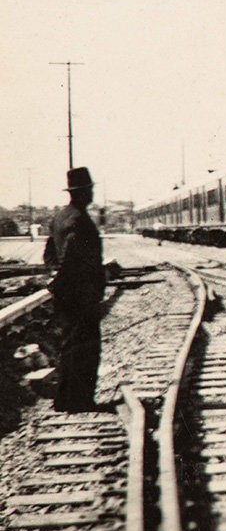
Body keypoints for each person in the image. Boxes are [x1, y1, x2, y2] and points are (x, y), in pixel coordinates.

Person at [42, 167, 107, 413]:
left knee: (69, 346)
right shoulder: (79, 219)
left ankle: (64, 400)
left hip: (67, 294)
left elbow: (49, 254)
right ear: (82, 192)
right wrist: (68, 281)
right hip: (81, 294)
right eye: (89, 190)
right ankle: (80, 401)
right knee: (85, 348)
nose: (91, 193)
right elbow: (70, 257)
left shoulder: (59, 217)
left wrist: (54, 279)